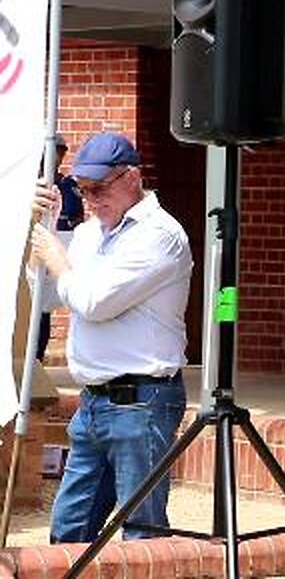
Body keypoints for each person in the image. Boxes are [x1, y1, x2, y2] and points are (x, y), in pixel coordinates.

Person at [27, 132, 192, 542]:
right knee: (68, 532)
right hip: (93, 404)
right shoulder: (87, 234)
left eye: (99, 188)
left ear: (132, 177)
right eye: (83, 190)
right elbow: (48, 297)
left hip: (142, 402)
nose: (91, 200)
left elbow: (94, 301)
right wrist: (36, 244)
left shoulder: (160, 234)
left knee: (141, 533)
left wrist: (57, 258)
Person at [37, 134, 85, 362]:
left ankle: (37, 358)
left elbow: (76, 217)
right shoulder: (31, 183)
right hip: (33, 247)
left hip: (59, 245)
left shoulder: (68, 185)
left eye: (60, 152)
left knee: (43, 308)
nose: (55, 157)